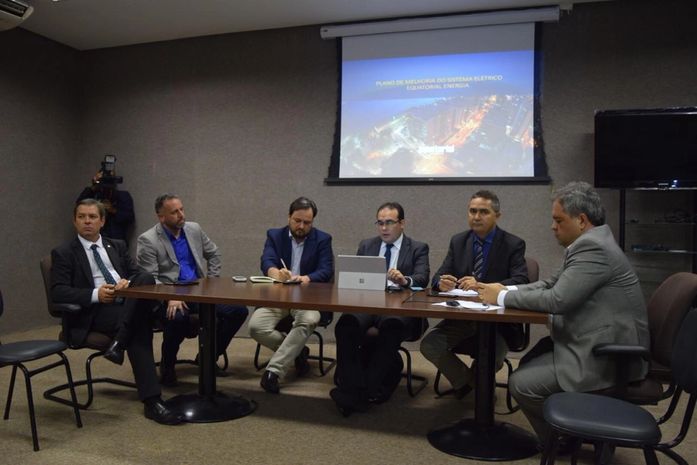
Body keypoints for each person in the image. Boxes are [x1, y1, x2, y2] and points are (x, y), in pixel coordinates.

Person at [478, 181, 649, 443]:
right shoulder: (590, 242)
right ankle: (567, 435)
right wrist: (504, 289)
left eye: (558, 220)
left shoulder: (593, 248)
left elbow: (557, 299)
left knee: (522, 385)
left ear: (581, 220)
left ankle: (563, 442)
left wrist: (501, 296)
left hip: (607, 355)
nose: (552, 226)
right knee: (529, 361)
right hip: (590, 340)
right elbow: (549, 284)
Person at [50, 199, 182, 425]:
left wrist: (127, 283)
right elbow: (58, 291)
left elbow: (138, 274)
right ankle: (152, 401)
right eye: (82, 217)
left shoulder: (117, 245)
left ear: (102, 221)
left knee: (146, 279)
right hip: (96, 310)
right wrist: (96, 294)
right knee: (139, 327)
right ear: (75, 221)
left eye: (92, 217)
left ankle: (119, 342)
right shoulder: (64, 252)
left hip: (126, 302)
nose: (87, 221)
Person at [420, 190, 529, 398]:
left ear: (497, 216)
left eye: (483, 212)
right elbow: (437, 277)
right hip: (462, 318)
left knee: (492, 356)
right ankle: (470, 383)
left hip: (497, 322)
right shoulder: (458, 241)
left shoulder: (513, 244)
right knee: (429, 345)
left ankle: (476, 390)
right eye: (472, 211)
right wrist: (440, 282)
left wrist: (483, 286)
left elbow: (522, 281)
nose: (476, 217)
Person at [136, 194, 249, 386]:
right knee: (177, 318)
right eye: (174, 212)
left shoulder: (193, 229)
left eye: (182, 209)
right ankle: (168, 365)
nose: (181, 214)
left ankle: (208, 358)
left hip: (198, 292)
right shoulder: (148, 240)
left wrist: (211, 282)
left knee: (238, 311)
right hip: (168, 295)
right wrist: (170, 296)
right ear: (161, 217)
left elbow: (214, 253)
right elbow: (149, 279)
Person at [331, 202, 429, 416]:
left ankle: (363, 390)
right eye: (380, 223)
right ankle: (355, 388)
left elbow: (423, 279)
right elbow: (356, 277)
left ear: (402, 223)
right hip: (368, 302)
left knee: (391, 327)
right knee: (346, 324)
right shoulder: (367, 245)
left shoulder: (418, 248)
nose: (384, 228)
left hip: (400, 306)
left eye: (389, 223)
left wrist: (405, 280)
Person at [249, 197, 334, 394]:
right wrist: (275, 273)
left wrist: (306, 278)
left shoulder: (323, 239)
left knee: (309, 320)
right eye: (297, 221)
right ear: (289, 217)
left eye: (307, 222)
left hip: (307, 298)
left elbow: (326, 270)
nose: (301, 226)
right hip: (279, 296)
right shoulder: (274, 235)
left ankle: (274, 372)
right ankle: (298, 351)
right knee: (256, 327)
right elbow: (267, 260)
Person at [76, 168, 134, 244]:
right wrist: (94, 186)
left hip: (115, 240)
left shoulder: (122, 196)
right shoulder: (93, 195)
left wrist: (112, 210)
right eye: (104, 179)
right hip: (93, 239)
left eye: (110, 179)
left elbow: (129, 218)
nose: (107, 182)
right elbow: (79, 206)